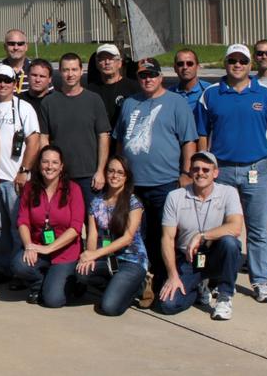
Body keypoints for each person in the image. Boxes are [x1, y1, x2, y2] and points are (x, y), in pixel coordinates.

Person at [197, 43, 267, 303]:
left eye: (242, 61)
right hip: (222, 170)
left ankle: (260, 281)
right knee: (220, 228)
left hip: (255, 169)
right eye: (232, 61)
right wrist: (204, 168)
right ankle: (217, 279)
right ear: (225, 63)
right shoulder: (211, 95)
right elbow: (203, 134)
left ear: (250, 65)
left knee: (258, 228)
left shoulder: (265, 95)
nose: (237, 65)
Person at [113, 57, 197, 305]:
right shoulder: (130, 103)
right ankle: (141, 283)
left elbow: (189, 141)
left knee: (164, 235)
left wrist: (185, 173)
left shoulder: (176, 103)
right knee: (136, 236)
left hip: (165, 183)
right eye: (142, 76)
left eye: (151, 75)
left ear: (161, 77)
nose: (147, 79)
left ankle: (163, 281)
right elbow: (120, 141)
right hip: (133, 186)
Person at [156, 151, 245, 320]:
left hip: (216, 256)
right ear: (190, 171)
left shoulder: (228, 192)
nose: (200, 173)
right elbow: (167, 238)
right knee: (168, 305)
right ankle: (198, 288)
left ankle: (224, 296)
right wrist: (173, 276)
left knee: (230, 243)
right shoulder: (175, 197)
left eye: (206, 169)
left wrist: (202, 236)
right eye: (196, 169)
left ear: (215, 173)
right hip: (188, 259)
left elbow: (235, 227)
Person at [11, 145, 85, 307]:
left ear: (61, 166)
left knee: (53, 301)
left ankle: (72, 284)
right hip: (39, 248)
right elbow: (23, 221)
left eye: (54, 162)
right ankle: (39, 285)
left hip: (65, 253)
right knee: (19, 265)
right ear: (39, 165)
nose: (50, 166)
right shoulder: (30, 188)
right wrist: (29, 245)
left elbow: (76, 228)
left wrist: (49, 248)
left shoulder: (73, 189)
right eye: (45, 162)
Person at [0, 59, 40, 284]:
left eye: (7, 80)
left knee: (19, 227)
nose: (2, 84)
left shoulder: (23, 108)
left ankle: (21, 270)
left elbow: (34, 140)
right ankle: (3, 267)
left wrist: (24, 171)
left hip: (14, 178)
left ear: (15, 83)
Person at [76, 155, 148, 316]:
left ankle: (137, 287)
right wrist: (90, 257)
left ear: (126, 177)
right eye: (111, 171)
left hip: (131, 261)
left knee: (109, 308)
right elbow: (92, 234)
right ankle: (116, 286)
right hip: (107, 260)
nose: (115, 176)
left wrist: (96, 253)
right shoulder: (96, 202)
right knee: (81, 272)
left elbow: (128, 238)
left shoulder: (133, 202)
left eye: (120, 173)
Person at [38, 53, 110, 209]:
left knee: (93, 223)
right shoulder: (49, 102)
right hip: (59, 175)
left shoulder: (94, 100)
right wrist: (49, 168)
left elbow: (103, 136)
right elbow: (44, 138)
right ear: (59, 72)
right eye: (65, 70)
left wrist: (100, 171)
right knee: (61, 222)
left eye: (74, 69)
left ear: (81, 71)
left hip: (89, 175)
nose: (70, 74)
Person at [86, 44, 136, 125]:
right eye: (103, 59)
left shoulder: (134, 88)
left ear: (119, 63)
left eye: (111, 58)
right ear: (97, 64)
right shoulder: (90, 91)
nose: (107, 62)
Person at [168, 48, 211, 116]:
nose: (185, 67)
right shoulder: (168, 94)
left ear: (197, 67)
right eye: (180, 64)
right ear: (175, 68)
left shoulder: (209, 91)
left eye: (189, 63)